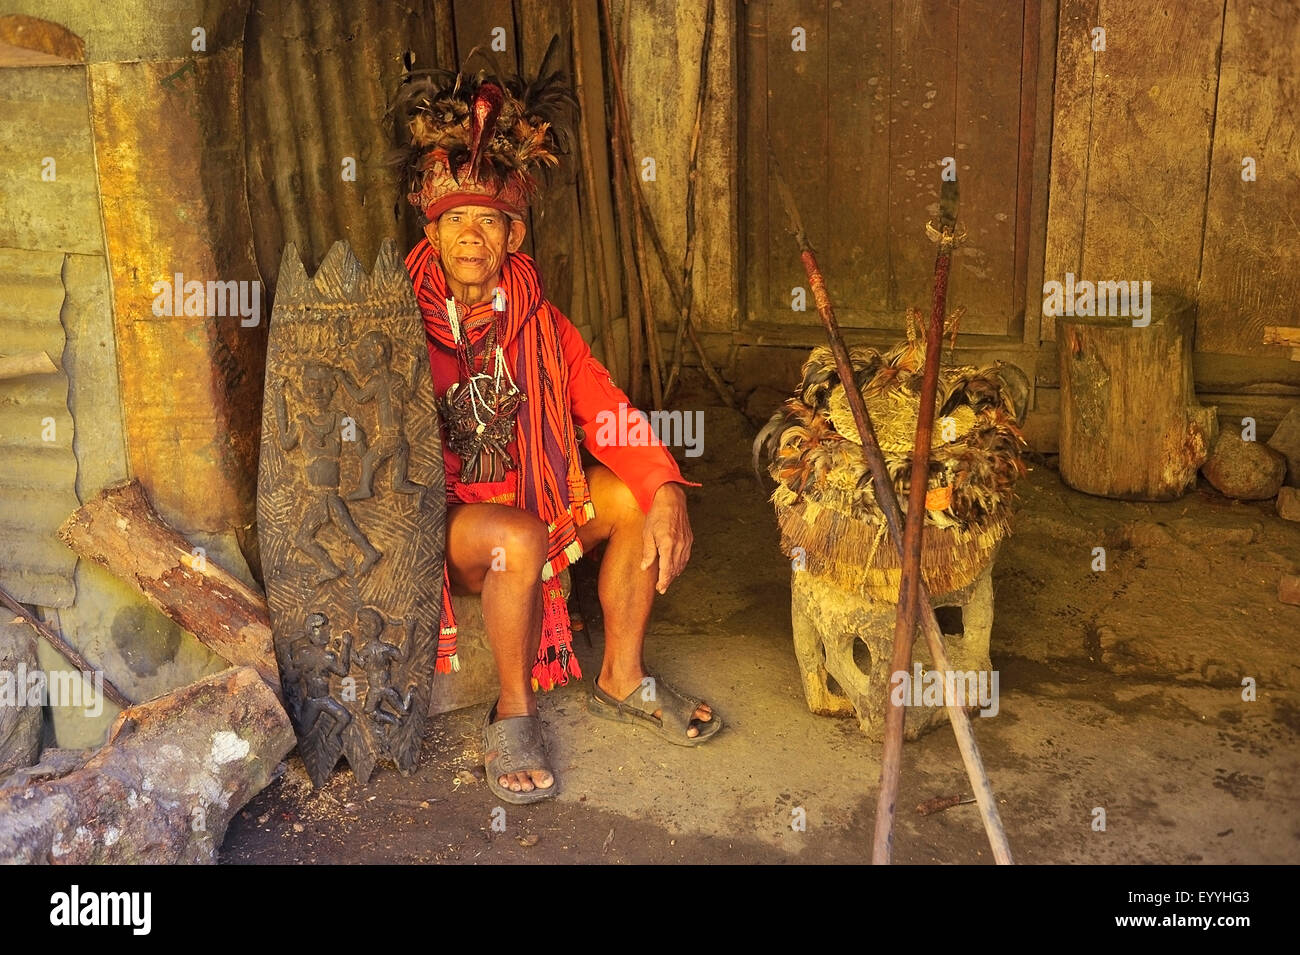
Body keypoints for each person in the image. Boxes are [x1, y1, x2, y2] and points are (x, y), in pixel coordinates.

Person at [392, 52, 721, 804]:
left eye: (490, 222)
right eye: (457, 222)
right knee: (518, 538)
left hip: (537, 504)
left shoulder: (540, 323)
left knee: (635, 498)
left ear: (513, 238)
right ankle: (513, 710)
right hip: (452, 528)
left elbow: (604, 407)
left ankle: (621, 673)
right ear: (434, 235)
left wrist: (665, 484)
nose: (472, 236)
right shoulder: (396, 320)